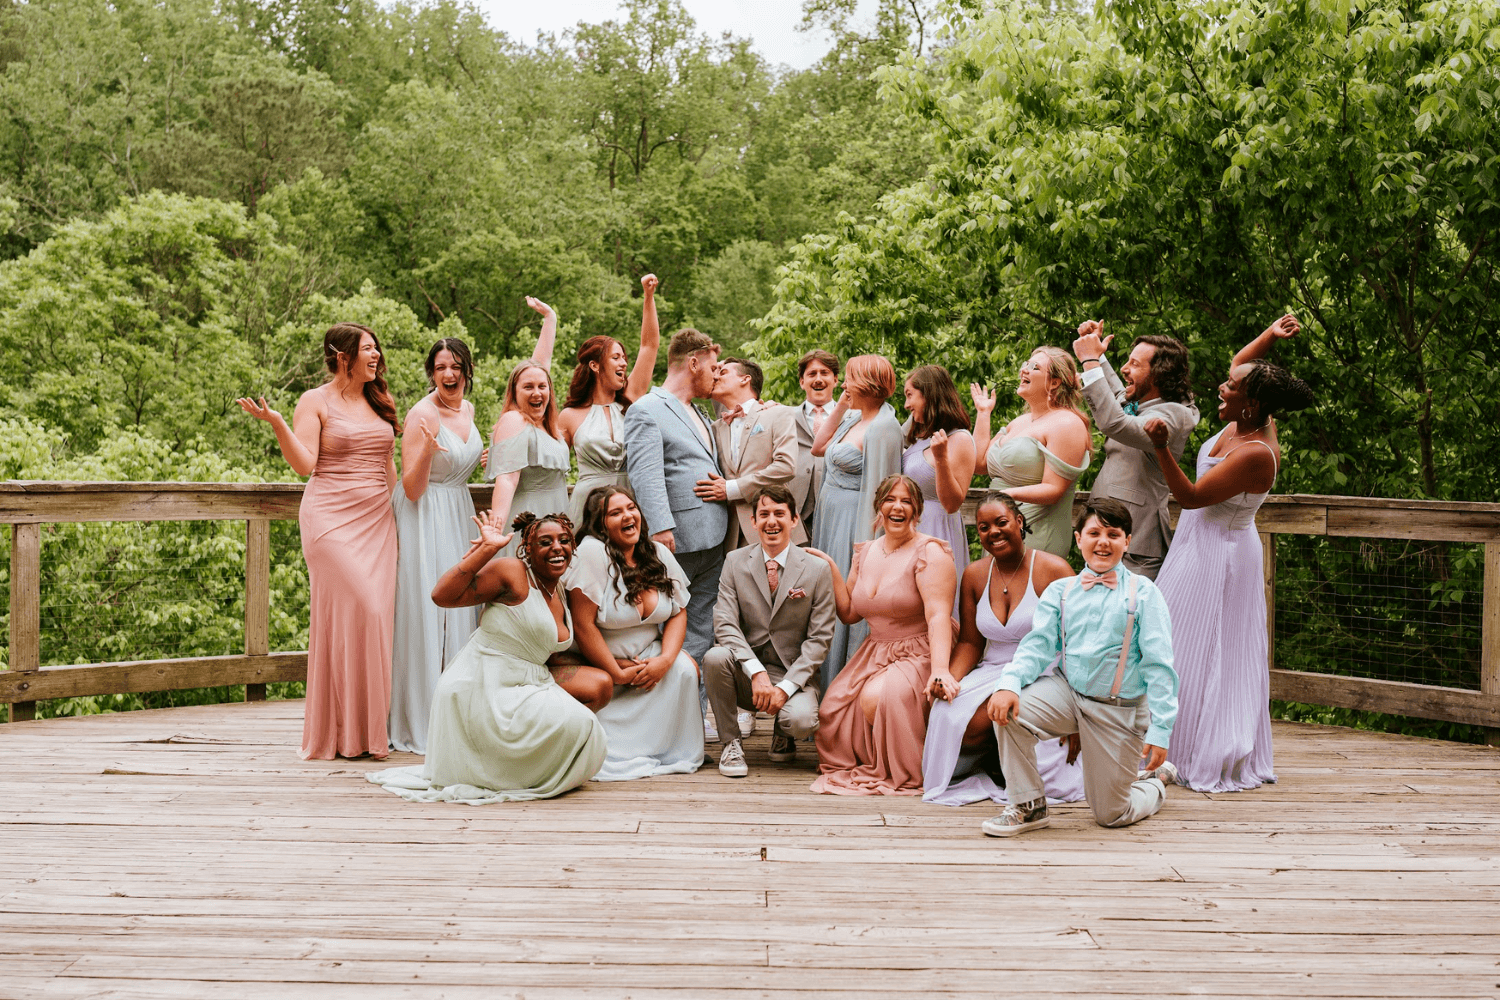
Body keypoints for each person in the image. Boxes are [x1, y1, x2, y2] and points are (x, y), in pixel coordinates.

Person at [1146, 314, 1314, 793]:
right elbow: (1244, 363)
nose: (1222, 386)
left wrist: (1162, 449)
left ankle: (1199, 747)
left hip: (1220, 557)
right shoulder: (1251, 413)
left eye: (1230, 387)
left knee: (1209, 648)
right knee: (1171, 640)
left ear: (1253, 402)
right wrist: (1270, 337)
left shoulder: (1256, 452)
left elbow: (1194, 497)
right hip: (1195, 546)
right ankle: (1163, 745)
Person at [236, 323, 399, 760]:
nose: (377, 356)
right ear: (343, 355)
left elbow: (390, 468)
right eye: (368, 349)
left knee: (377, 620)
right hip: (330, 520)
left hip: (379, 521)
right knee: (363, 606)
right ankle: (341, 732)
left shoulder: (380, 400)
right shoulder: (315, 400)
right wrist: (275, 424)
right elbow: (305, 464)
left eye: (376, 348)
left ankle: (368, 734)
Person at [367, 510, 607, 803]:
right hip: (484, 683)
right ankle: (509, 772)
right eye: (545, 542)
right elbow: (442, 595)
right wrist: (487, 550)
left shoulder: (557, 587)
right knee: (583, 725)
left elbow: (545, 650)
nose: (557, 547)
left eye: (564, 541)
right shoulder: (512, 573)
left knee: (596, 695)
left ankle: (528, 767)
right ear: (527, 549)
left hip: (530, 680)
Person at [982, 497, 1179, 837]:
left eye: (1113, 534)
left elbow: (1160, 666)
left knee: (1112, 814)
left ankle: (1155, 783)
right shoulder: (1062, 591)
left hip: (1118, 709)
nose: (1103, 542)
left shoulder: (1144, 593)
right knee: (1007, 709)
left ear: (1127, 542)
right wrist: (1008, 684)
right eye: (1094, 533)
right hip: (1069, 695)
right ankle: (1029, 806)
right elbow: (1038, 646)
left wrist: (1161, 730)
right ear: (1078, 539)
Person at [922, 492, 1081, 806]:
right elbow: (970, 642)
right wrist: (948, 679)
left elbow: (1077, 644)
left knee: (1008, 717)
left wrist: (1077, 710)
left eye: (1001, 522)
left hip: (1045, 671)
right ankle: (994, 766)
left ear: (1019, 522)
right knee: (947, 713)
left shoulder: (1055, 570)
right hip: (993, 668)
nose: (992, 531)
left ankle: (1018, 771)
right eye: (983, 527)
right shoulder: (975, 575)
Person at [805, 474, 956, 796]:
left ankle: (899, 766)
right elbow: (849, 614)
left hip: (922, 649)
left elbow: (939, 615)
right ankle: (873, 761)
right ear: (879, 507)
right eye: (890, 499)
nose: (897, 507)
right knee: (832, 707)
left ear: (917, 511)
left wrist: (941, 670)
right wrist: (831, 565)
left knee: (877, 698)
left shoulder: (931, 553)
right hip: (876, 649)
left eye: (906, 501)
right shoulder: (866, 551)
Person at [563, 486, 705, 781]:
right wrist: (617, 672)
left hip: (649, 657)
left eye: (631, 508)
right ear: (599, 524)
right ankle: (613, 750)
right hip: (602, 662)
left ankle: (668, 750)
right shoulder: (592, 552)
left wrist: (665, 660)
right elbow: (583, 625)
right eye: (615, 513)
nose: (628, 516)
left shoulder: (657, 552)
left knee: (685, 668)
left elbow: (679, 611)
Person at [388, 337, 486, 753]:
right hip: (424, 516)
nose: (449, 374)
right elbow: (410, 488)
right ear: (432, 372)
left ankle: (458, 713)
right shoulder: (421, 415)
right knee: (426, 613)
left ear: (467, 371)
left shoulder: (469, 409)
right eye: (441, 366)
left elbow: (464, 458)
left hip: (457, 511)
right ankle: (421, 717)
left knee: (462, 608)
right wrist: (427, 452)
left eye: (457, 365)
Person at [705, 485, 836, 778]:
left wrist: (785, 687)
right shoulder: (734, 562)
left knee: (801, 720)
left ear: (794, 519)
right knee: (715, 657)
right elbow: (724, 623)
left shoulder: (817, 569)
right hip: (746, 672)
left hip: (792, 673)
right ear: (753, 522)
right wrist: (755, 671)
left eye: (779, 513)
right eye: (763, 514)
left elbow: (820, 639)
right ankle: (731, 742)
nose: (771, 521)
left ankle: (784, 732)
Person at [623, 328, 729, 675]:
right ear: (693, 362)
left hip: (713, 539)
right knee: (666, 626)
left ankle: (693, 712)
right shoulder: (646, 409)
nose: (717, 375)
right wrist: (660, 528)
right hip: (675, 541)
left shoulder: (699, 412)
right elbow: (645, 475)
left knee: (700, 627)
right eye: (714, 368)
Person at [1072, 324, 1199, 578]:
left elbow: (1115, 423)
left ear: (1158, 376)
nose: (1125, 369)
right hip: (1107, 536)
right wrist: (1097, 353)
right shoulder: (1140, 402)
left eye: (1135, 364)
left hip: (1138, 546)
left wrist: (1089, 362)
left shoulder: (1175, 415)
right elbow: (1118, 394)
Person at [808, 355, 904, 687]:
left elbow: (881, 490)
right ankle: (822, 682)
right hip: (830, 515)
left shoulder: (884, 428)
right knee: (825, 596)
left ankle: (843, 685)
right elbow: (818, 448)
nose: (843, 384)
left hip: (853, 521)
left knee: (845, 598)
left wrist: (866, 551)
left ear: (865, 384)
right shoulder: (852, 418)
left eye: (848, 379)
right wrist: (843, 407)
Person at [558, 273, 662, 527]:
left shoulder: (632, 398)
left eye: (624, 357)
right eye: (616, 357)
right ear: (595, 365)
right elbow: (550, 461)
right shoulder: (570, 416)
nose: (624, 363)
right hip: (587, 506)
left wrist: (648, 297)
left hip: (630, 504)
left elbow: (649, 345)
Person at [970, 347, 1091, 559]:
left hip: (1035, 533)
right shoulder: (1019, 422)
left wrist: (1006, 496)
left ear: (1054, 382)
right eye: (1025, 364)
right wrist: (983, 413)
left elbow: (1054, 489)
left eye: (1034, 367)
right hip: (998, 530)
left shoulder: (1067, 423)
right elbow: (979, 463)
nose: (1024, 370)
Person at [485, 296, 566, 558]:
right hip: (529, 523)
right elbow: (507, 479)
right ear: (514, 392)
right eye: (527, 387)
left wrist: (550, 319)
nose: (536, 392)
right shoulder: (514, 420)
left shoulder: (545, 425)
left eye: (542, 387)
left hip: (558, 521)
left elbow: (541, 367)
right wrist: (495, 531)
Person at [698, 357, 802, 553]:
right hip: (729, 536)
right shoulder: (714, 428)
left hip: (774, 526)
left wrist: (732, 488)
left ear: (745, 379)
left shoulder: (777, 414)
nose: (716, 377)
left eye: (723, 372)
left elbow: (786, 466)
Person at [901, 364, 976, 591]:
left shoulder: (960, 439)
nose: (906, 404)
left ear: (930, 395)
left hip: (937, 529)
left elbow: (952, 503)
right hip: (909, 528)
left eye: (910, 395)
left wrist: (941, 459)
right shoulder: (919, 437)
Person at [791, 350, 840, 532]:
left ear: (835, 380)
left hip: (837, 514)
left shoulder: (853, 418)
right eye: (812, 374)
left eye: (824, 373)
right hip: (795, 516)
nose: (818, 379)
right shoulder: (784, 416)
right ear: (802, 382)